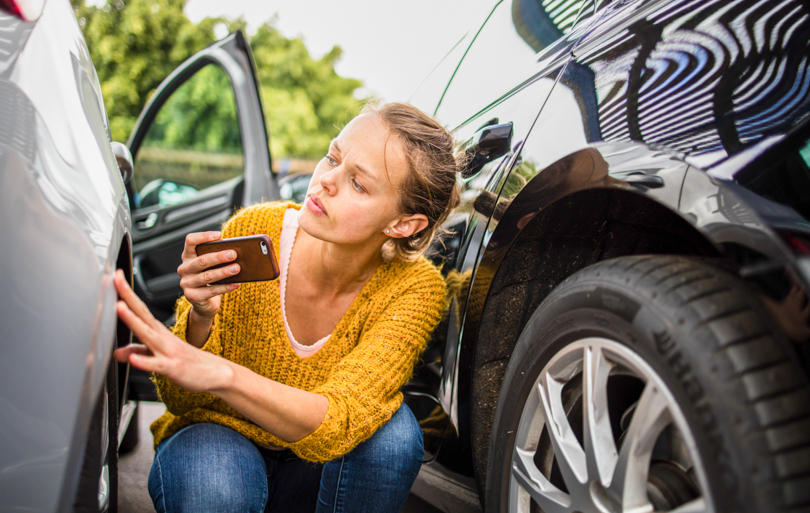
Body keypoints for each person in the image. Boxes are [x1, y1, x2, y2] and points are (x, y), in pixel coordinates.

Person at [112, 102, 462, 513]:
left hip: (315, 464)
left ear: (403, 224)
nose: (325, 180)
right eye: (332, 157)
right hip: (215, 438)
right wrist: (202, 316)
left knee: (396, 436)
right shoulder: (254, 230)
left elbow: (340, 420)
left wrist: (223, 374)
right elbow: (180, 400)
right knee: (218, 487)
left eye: (358, 184)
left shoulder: (414, 289)